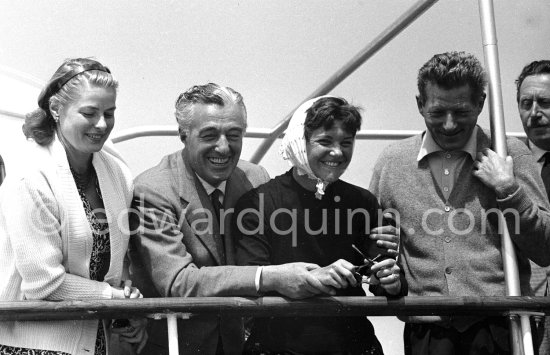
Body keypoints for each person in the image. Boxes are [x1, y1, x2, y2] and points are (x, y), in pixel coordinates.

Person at [129, 83, 348, 355]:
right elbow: (178, 282)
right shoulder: (152, 190)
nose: (223, 148)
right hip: (177, 345)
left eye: (234, 135)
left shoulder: (255, 178)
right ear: (183, 135)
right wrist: (267, 277)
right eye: (209, 135)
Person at [369, 51, 550, 355]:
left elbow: (545, 250)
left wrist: (508, 189)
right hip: (426, 334)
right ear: (419, 105)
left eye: (462, 112)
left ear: (480, 103)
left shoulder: (511, 153)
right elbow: (372, 246)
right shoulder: (392, 161)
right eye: (438, 113)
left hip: (502, 329)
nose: (450, 125)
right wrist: (382, 273)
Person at [233, 96, 406, 354]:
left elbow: (384, 281)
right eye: (325, 141)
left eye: (346, 143)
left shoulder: (363, 202)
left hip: (352, 344)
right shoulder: (257, 203)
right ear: (298, 142)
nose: (337, 152)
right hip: (277, 346)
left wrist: (391, 280)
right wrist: (317, 277)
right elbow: (253, 280)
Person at [0, 58, 147, 354]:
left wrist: (127, 300)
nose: (102, 124)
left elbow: (116, 264)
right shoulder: (29, 176)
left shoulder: (117, 173)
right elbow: (43, 285)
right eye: (89, 113)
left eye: (109, 113)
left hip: (93, 342)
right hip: (27, 344)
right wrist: (114, 297)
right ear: (56, 109)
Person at [516, 59, 550, 355]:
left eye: (545, 102)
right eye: (526, 103)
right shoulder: (504, 163)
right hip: (529, 311)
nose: (535, 113)